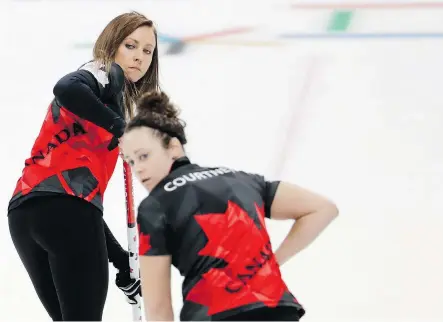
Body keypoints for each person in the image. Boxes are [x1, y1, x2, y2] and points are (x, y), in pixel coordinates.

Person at [119, 91, 339, 321]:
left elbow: (158, 307)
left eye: (144, 156)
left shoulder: (154, 206)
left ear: (174, 147)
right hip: (277, 308)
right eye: (131, 161)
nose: (138, 169)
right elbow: (322, 209)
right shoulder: (241, 179)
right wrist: (273, 262)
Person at [7, 11, 159, 321]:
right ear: (112, 44)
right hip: (64, 213)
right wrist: (119, 125)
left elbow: (78, 202)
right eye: (131, 45)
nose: (139, 57)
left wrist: (119, 261)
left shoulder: (109, 99)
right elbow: (65, 87)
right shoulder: (102, 73)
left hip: (25, 214)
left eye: (147, 51)